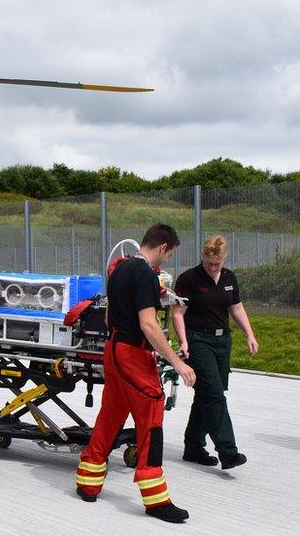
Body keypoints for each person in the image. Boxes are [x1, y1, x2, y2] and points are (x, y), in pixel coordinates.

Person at [75, 223, 196, 524]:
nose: (165, 262)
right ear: (163, 247)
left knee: (111, 415)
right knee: (152, 415)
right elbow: (149, 324)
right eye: (168, 256)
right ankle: (156, 499)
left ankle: (88, 481)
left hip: (113, 349)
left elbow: (106, 315)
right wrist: (177, 363)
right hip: (132, 353)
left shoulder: (119, 269)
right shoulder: (144, 274)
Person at [172, 235, 256, 470]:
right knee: (214, 396)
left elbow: (236, 307)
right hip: (198, 341)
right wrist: (184, 341)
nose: (212, 267)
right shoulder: (189, 278)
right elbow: (178, 313)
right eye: (208, 263)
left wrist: (249, 335)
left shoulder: (229, 278)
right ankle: (228, 452)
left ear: (224, 258)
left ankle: (193, 447)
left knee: (207, 395)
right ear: (203, 257)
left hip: (222, 341)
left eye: (216, 264)